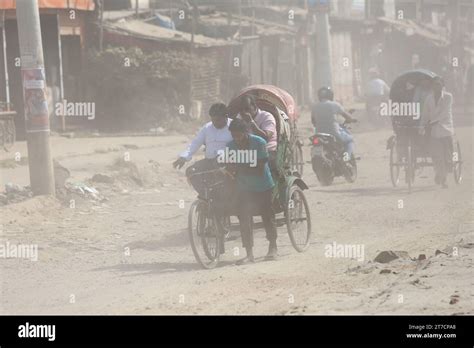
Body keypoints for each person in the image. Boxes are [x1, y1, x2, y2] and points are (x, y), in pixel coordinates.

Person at [224, 118, 277, 264]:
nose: (237, 139)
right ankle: (249, 254)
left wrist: (237, 168)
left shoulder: (259, 143)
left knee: (267, 216)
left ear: (246, 132)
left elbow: (259, 170)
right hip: (244, 188)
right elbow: (230, 168)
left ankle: (273, 247)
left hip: (263, 186)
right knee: (244, 219)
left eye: (239, 135)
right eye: (234, 136)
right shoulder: (230, 146)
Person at [173, 103, 232, 197]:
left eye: (218, 120)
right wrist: (184, 156)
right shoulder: (207, 127)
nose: (215, 123)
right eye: (213, 120)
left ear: (226, 116)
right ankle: (205, 197)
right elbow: (195, 143)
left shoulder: (234, 126)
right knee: (191, 171)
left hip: (228, 163)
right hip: (209, 162)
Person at [422, 77, 454, 188]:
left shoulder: (448, 97)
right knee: (437, 156)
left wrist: (431, 122)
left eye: (439, 85)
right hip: (434, 132)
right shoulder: (429, 99)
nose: (437, 87)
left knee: (446, 156)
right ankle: (442, 176)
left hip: (446, 129)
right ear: (432, 86)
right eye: (435, 84)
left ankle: (443, 175)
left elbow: (444, 114)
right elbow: (425, 114)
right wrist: (422, 125)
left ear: (442, 86)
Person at [311, 87, 357, 159]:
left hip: (319, 134)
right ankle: (346, 158)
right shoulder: (335, 105)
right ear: (331, 95)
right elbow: (347, 116)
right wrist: (352, 119)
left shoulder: (314, 106)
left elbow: (313, 122)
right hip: (334, 133)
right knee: (349, 140)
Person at [237, 95, 278, 171]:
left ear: (254, 106)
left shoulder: (267, 116)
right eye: (241, 110)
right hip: (248, 151)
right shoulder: (239, 117)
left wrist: (251, 122)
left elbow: (265, 138)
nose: (244, 112)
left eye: (247, 109)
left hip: (267, 150)